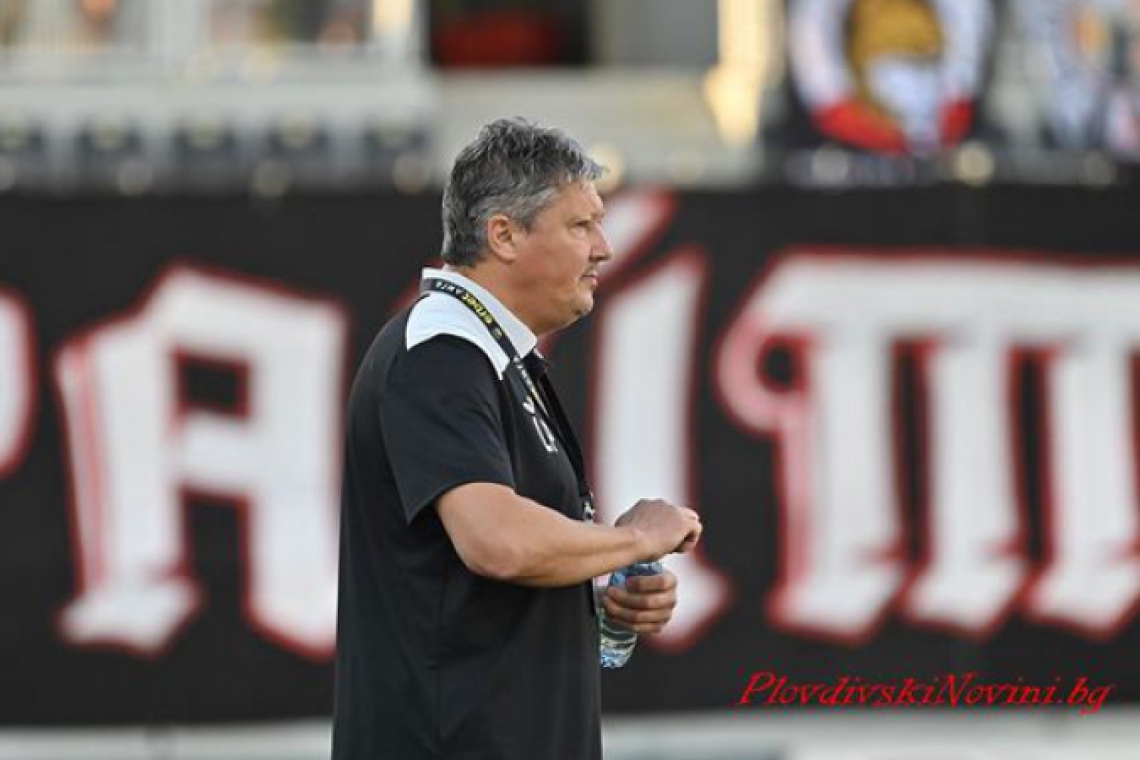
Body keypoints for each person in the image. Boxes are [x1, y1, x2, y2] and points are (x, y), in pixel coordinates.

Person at [331, 118, 703, 760]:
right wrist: (635, 541)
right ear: (503, 235)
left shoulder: (492, 354)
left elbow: (472, 592)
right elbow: (496, 542)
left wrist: (600, 603)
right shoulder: (441, 352)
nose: (604, 249)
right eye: (581, 226)